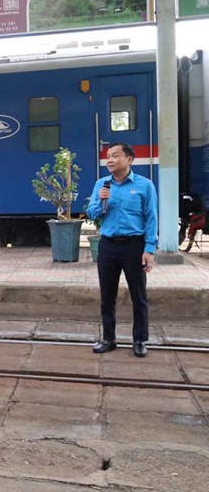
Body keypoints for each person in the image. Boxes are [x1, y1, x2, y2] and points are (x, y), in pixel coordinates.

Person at [88, 142, 158, 358]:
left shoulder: (144, 185)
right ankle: (108, 338)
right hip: (108, 246)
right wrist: (100, 201)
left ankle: (139, 340)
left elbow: (151, 218)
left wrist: (149, 249)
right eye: (108, 156)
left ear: (129, 159)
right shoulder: (102, 184)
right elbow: (91, 214)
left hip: (134, 247)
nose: (109, 160)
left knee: (139, 296)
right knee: (107, 296)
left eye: (115, 156)